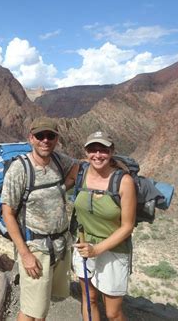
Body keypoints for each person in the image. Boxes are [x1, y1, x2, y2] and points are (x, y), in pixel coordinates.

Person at [1, 116, 78, 321]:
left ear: (56, 139)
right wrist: (25, 254)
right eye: (40, 136)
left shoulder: (60, 161)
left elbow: (78, 166)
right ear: (31, 138)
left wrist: (64, 186)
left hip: (60, 245)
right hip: (35, 249)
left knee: (41, 309)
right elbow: (7, 213)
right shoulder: (20, 169)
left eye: (50, 136)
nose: (45, 140)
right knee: (30, 310)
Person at [72, 131, 137, 321]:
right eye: (93, 149)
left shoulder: (124, 182)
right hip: (83, 245)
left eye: (103, 150)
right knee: (89, 299)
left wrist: (97, 249)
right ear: (86, 152)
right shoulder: (80, 174)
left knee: (113, 313)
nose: (98, 155)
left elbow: (127, 226)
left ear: (112, 151)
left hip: (113, 250)